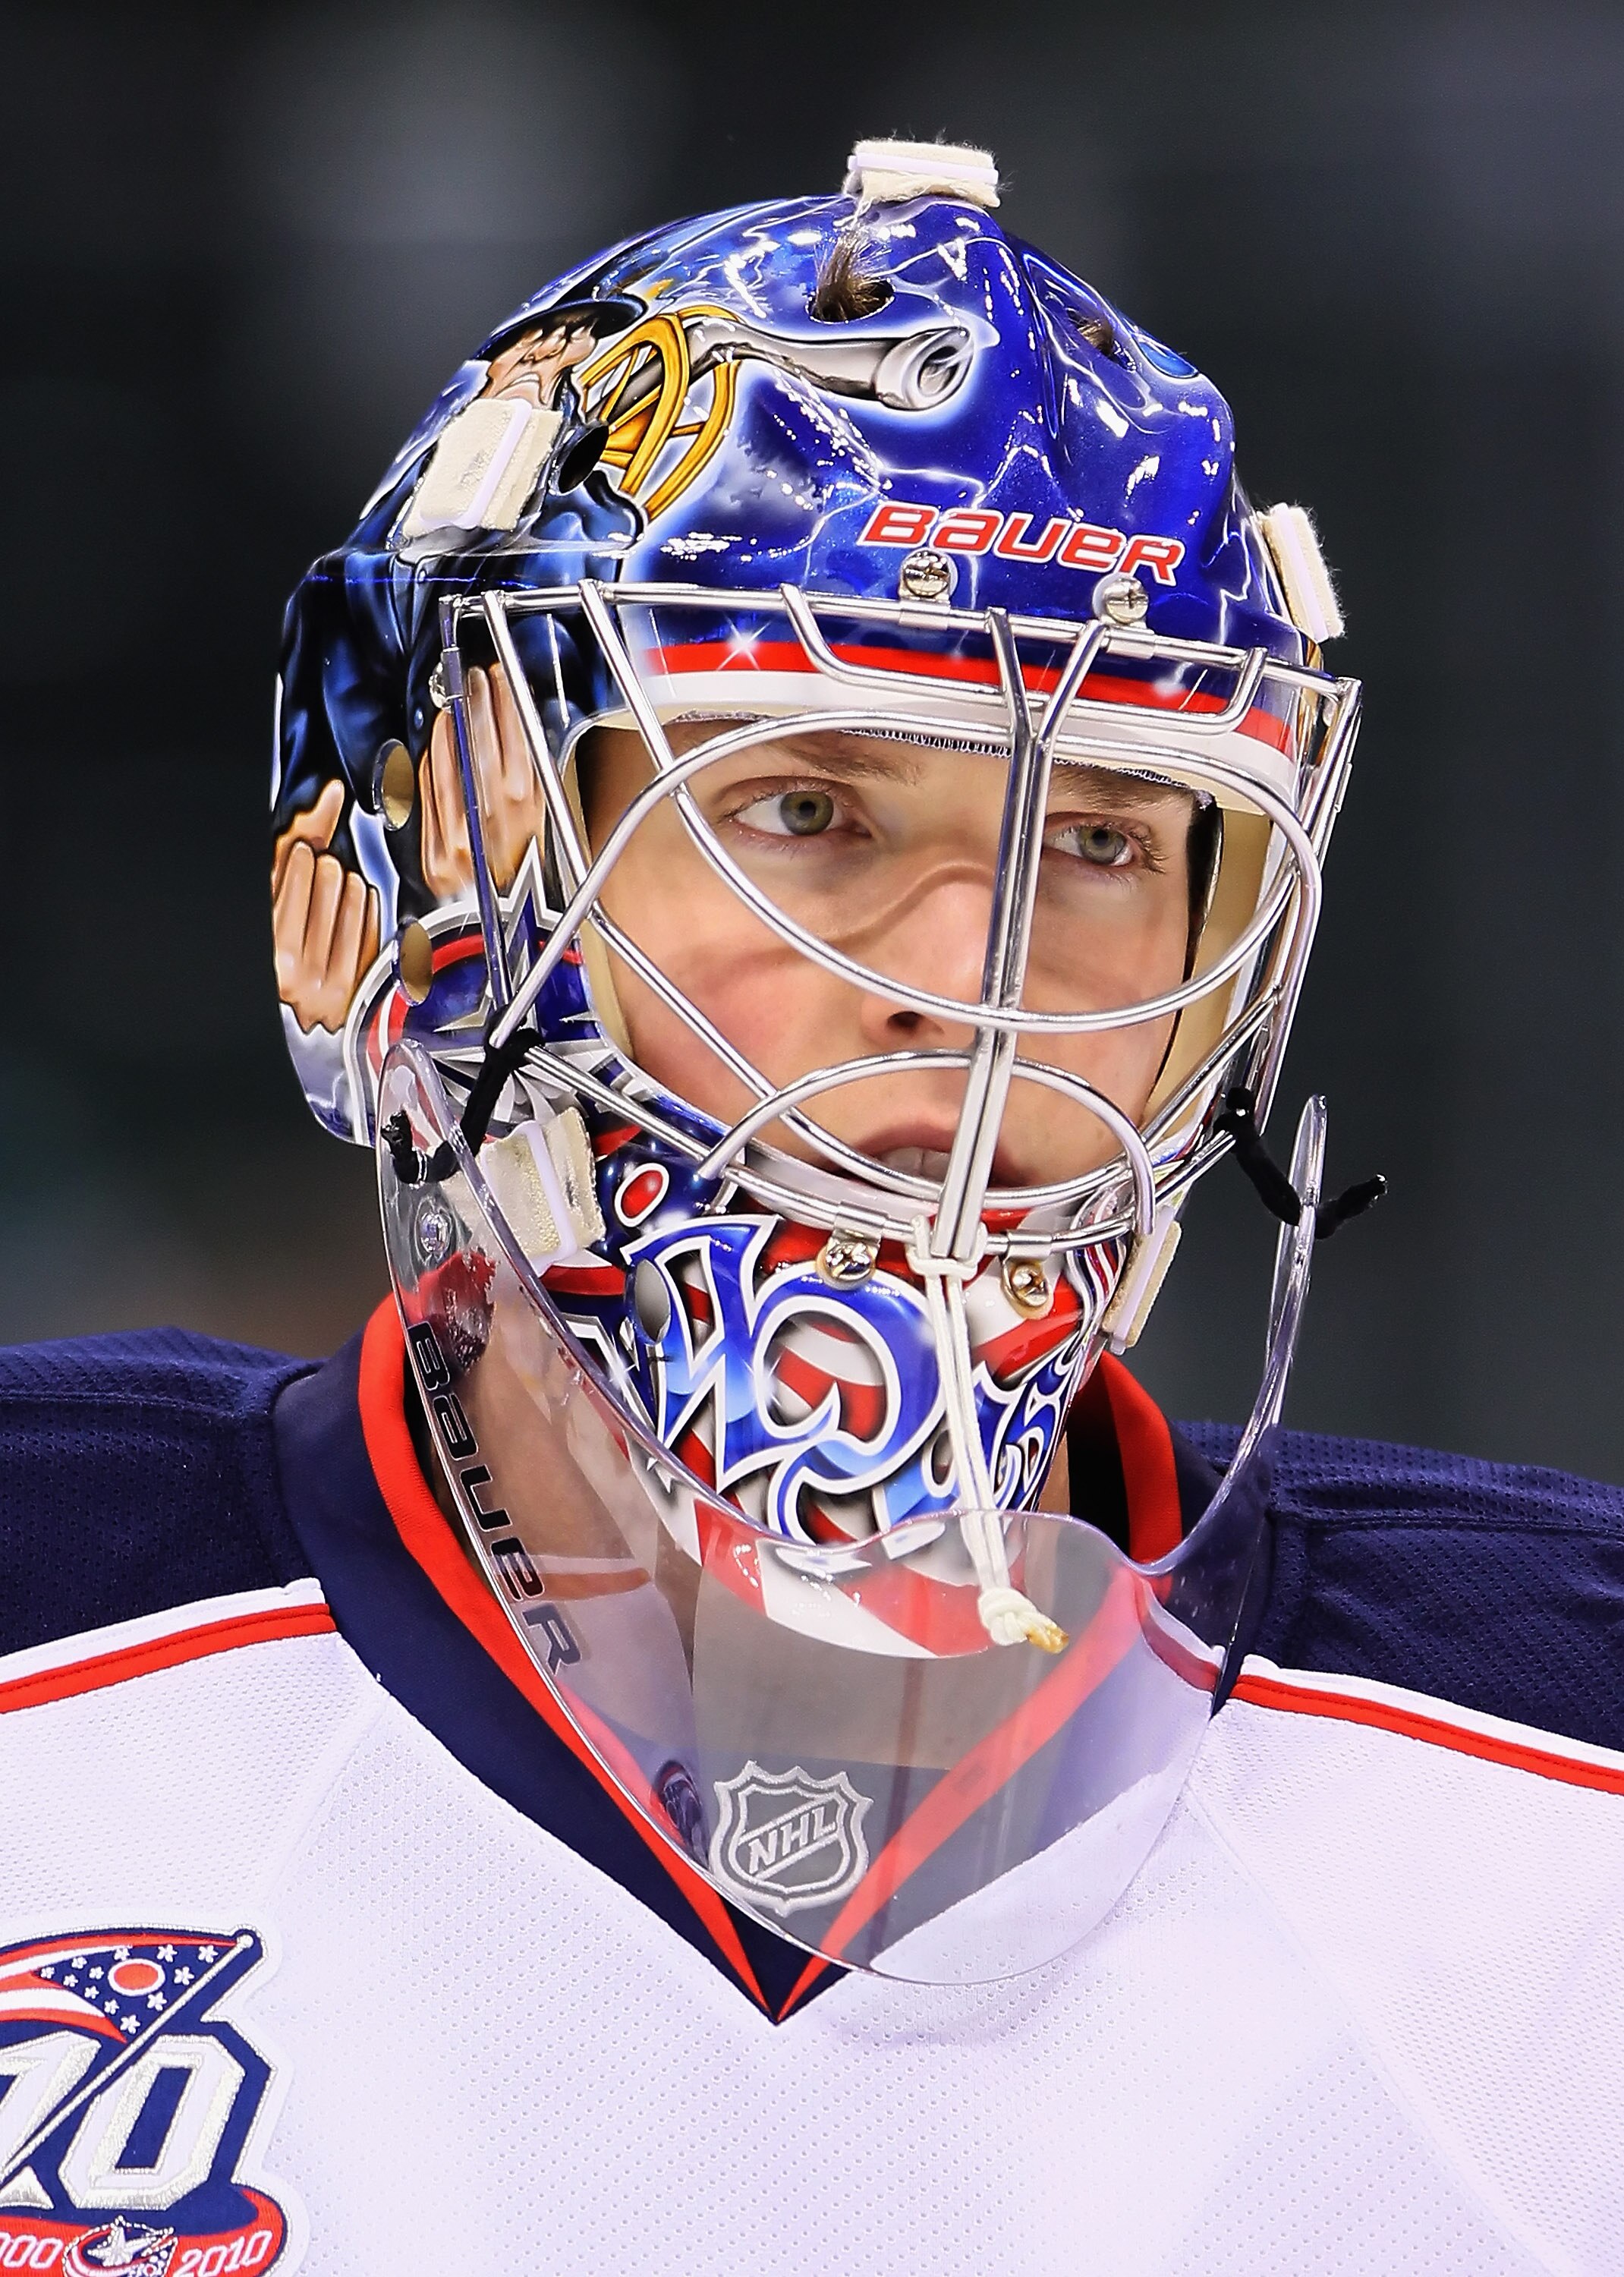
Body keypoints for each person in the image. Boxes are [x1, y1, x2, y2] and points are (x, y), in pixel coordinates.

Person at [2, 138, 1619, 2276]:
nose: (972, 979)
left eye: (1112, 842)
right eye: (801, 806)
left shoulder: (1559, 1760)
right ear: (417, 885)